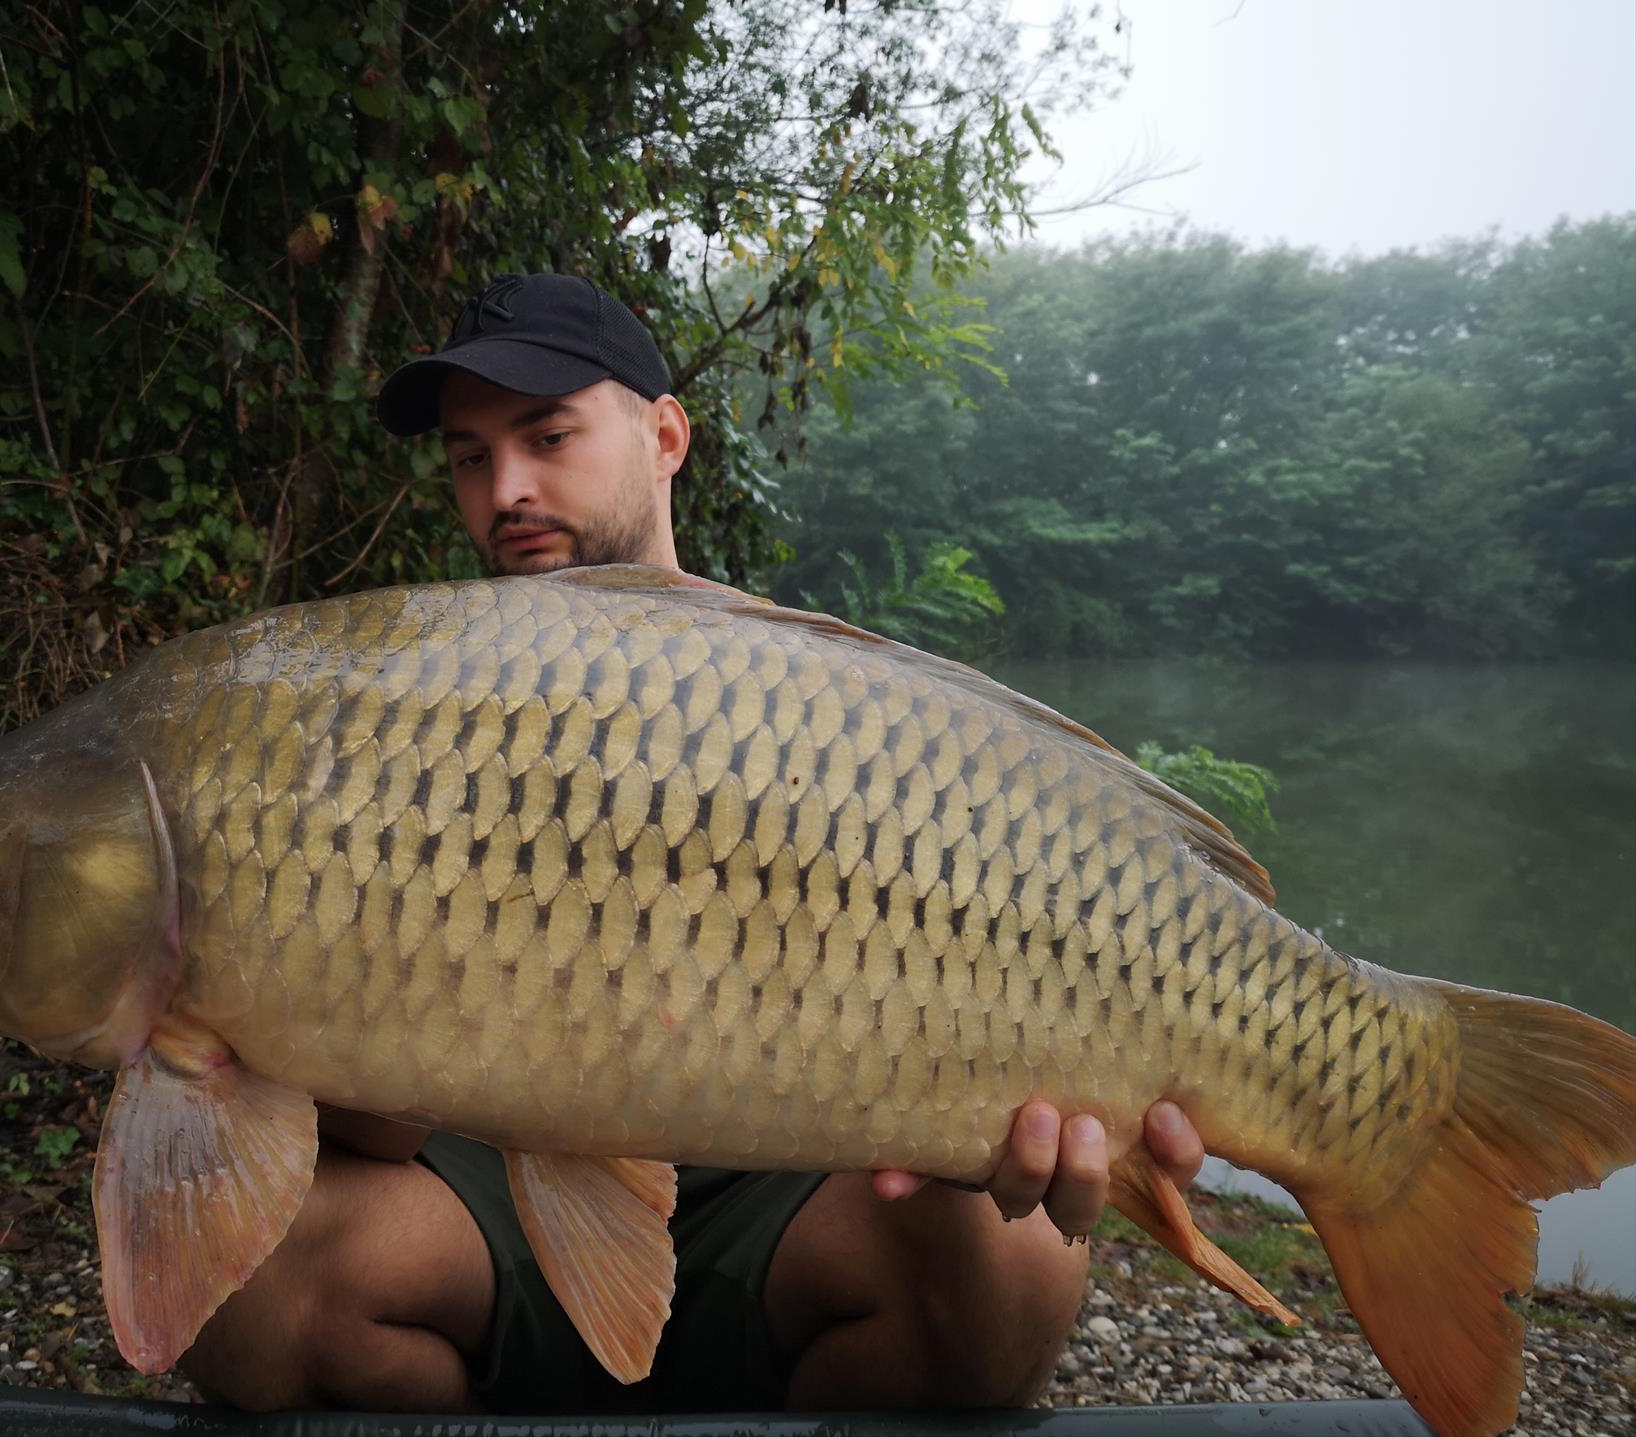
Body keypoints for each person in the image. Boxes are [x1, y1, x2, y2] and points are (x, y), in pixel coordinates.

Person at [179, 273, 1208, 1414]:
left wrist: (1015, 1125)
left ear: (665, 436)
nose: (505, 489)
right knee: (246, 1288)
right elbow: (370, 1130)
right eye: (470, 455)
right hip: (488, 1200)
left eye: (547, 434)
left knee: (1012, 1264)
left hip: (780, 1196)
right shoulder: (403, 708)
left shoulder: (818, 704)